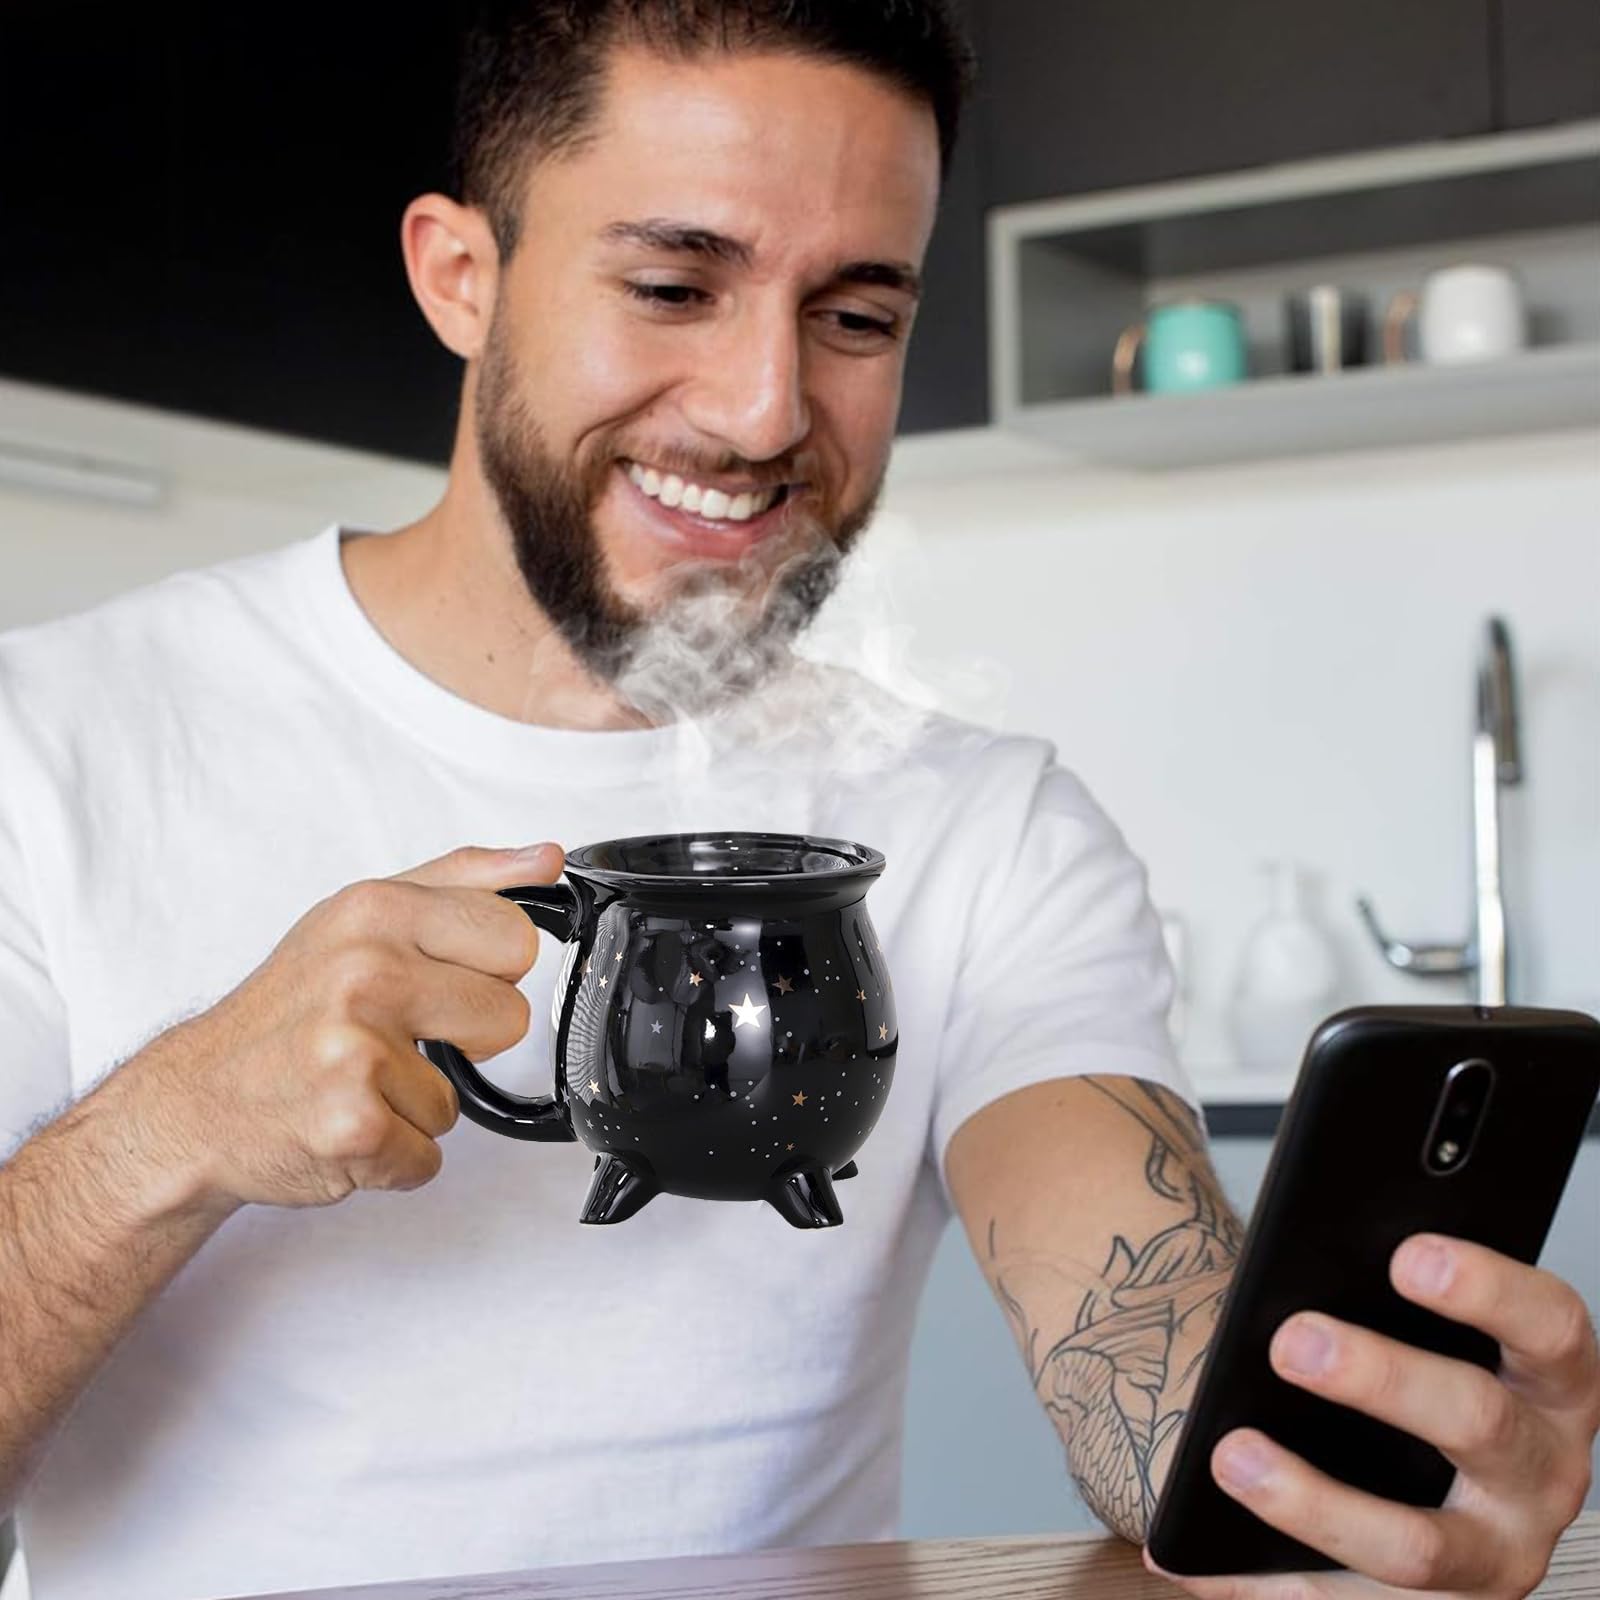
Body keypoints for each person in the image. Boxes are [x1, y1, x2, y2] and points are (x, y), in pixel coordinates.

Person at [0, 4, 1593, 1597]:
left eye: (853, 318)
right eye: (674, 285)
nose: (766, 411)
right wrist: (173, 1123)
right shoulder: (51, 740)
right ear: (459, 277)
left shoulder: (990, 830)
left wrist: (1312, 1477)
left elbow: (1134, 1320)